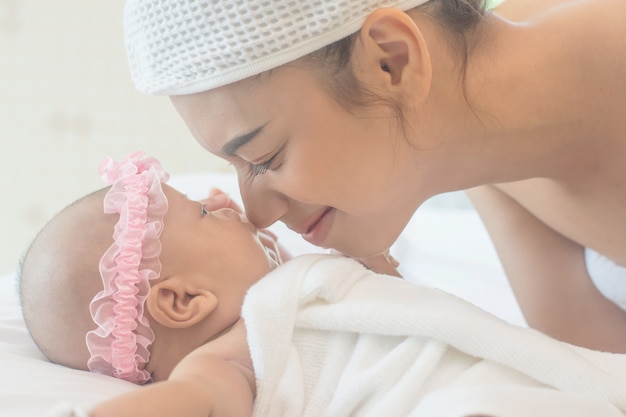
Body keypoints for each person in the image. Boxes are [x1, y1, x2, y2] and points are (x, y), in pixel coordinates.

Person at [122, 0, 626, 353]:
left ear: (392, 59)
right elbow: (597, 376)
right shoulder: (480, 148)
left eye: (265, 157)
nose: (256, 213)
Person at [21, 153, 626, 417]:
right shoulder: (230, 356)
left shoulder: (298, 286)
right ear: (183, 301)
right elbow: (198, 405)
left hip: (508, 379)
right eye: (204, 215)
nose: (222, 200)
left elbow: (397, 304)